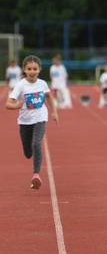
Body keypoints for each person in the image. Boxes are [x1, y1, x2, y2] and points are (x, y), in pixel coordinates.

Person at [5, 55, 59, 189]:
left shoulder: (43, 83)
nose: (32, 71)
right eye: (29, 69)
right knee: (28, 152)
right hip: (24, 121)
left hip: (40, 118)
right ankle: (29, 153)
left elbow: (49, 97)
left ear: (39, 69)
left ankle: (36, 175)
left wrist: (54, 112)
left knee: (36, 144)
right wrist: (17, 105)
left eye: (35, 68)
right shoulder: (20, 85)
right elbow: (8, 104)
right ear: (24, 69)